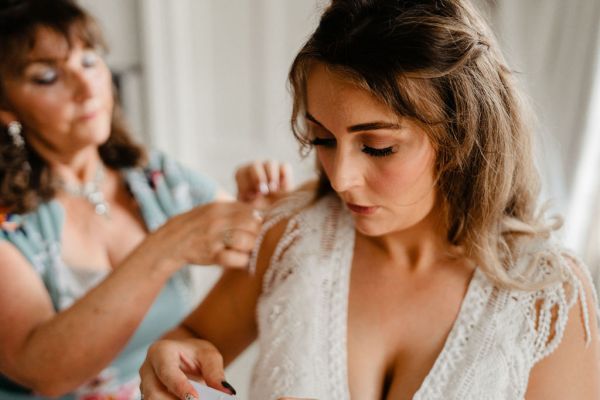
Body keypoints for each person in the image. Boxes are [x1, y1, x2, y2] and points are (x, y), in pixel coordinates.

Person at [140, 0, 600, 399]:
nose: (340, 179)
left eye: (379, 147)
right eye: (321, 139)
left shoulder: (548, 299)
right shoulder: (292, 237)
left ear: (463, 135)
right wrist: (169, 354)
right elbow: (192, 339)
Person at [0, 0, 293, 399]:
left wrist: (260, 207)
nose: (87, 88)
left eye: (89, 61)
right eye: (48, 76)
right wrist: (166, 247)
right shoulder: (8, 224)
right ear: (6, 108)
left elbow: (251, 253)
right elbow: (44, 371)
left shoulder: (153, 177)